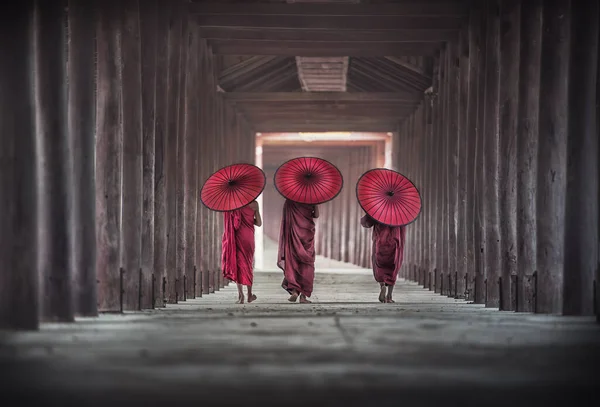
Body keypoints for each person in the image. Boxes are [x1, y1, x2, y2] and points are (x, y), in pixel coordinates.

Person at [277, 199, 319, 304]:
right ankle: (303, 296)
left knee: (293, 262)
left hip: (293, 234)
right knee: (307, 264)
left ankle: (295, 291)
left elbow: (286, 219)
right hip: (307, 234)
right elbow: (316, 215)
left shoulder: (290, 200)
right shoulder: (312, 198)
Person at [221, 200, 262, 304]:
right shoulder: (255, 204)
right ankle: (249, 295)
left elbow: (233, 224)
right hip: (249, 238)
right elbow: (259, 223)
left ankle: (241, 296)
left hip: (237, 238)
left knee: (238, 265)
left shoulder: (234, 204)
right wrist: (248, 220)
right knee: (248, 264)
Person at [360, 213, 406, 303]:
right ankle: (389, 295)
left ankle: (382, 286)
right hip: (395, 242)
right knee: (393, 267)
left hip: (380, 242)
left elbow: (366, 222)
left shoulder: (378, 209)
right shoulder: (401, 211)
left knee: (379, 266)